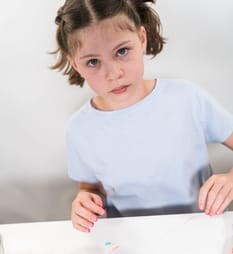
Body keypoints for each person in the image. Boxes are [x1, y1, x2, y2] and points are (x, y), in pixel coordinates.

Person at [51, 0, 233, 232]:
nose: (114, 73)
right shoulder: (79, 129)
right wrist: (85, 201)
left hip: (202, 230)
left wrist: (230, 181)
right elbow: (91, 189)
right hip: (132, 247)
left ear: (142, 38)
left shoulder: (187, 98)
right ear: (76, 65)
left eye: (122, 51)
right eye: (93, 62)